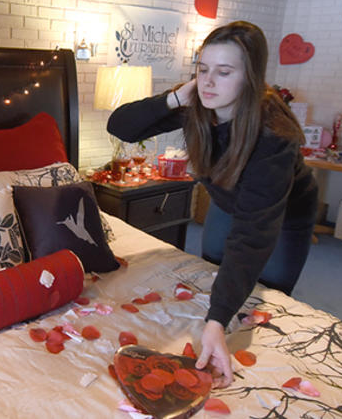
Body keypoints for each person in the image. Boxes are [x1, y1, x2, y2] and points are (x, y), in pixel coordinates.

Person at [107, 21, 318, 388]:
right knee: (215, 271)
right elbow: (120, 126)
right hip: (227, 195)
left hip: (282, 214)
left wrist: (216, 321)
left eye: (224, 72)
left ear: (250, 78)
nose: (208, 82)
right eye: (203, 70)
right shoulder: (199, 103)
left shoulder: (273, 138)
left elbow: (253, 234)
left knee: (267, 298)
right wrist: (175, 96)